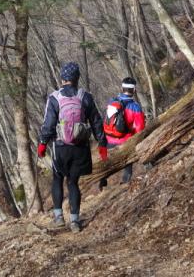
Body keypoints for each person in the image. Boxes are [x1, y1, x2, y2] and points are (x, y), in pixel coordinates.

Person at [37, 62, 108, 233]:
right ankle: (75, 221)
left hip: (60, 147)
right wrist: (102, 144)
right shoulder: (85, 96)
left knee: (57, 179)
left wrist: (42, 144)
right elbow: (96, 121)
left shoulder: (54, 98)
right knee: (73, 182)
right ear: (77, 78)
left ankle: (59, 218)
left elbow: (48, 124)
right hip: (80, 146)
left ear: (62, 79)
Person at [99, 77, 145, 190]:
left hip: (109, 139)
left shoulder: (112, 102)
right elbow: (140, 129)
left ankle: (102, 180)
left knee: (108, 163)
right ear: (134, 90)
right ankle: (125, 184)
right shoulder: (135, 107)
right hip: (125, 140)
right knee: (128, 163)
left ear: (122, 88)